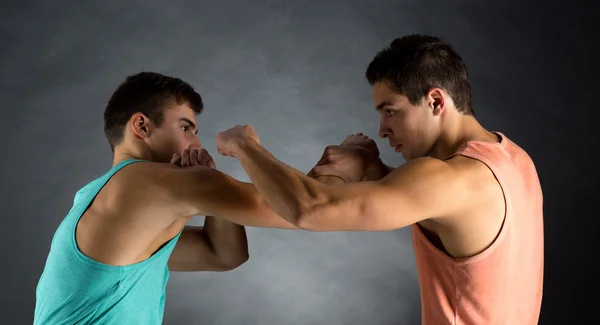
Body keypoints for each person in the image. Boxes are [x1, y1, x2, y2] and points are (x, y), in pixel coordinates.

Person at [215, 34, 544, 325]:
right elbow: (442, 211)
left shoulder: (446, 179)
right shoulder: (514, 159)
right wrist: (373, 170)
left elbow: (309, 208)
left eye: (391, 111)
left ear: (436, 101)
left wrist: (245, 147)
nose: (383, 130)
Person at [33, 72, 297, 325]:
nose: (196, 145)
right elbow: (295, 207)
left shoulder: (104, 197)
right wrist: (246, 147)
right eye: (186, 128)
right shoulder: (141, 181)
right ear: (141, 126)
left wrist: (208, 180)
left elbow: (224, 255)